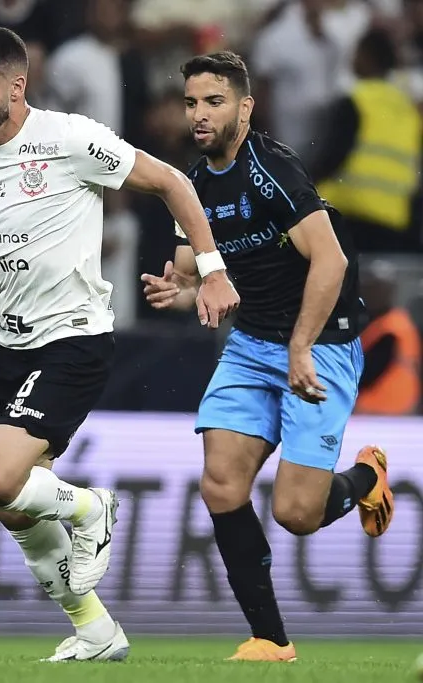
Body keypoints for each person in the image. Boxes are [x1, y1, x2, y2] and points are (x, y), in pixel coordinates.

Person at [0, 27, 240, 662]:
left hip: (73, 339)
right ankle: (95, 631)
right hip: (5, 347)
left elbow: (174, 181)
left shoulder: (69, 139)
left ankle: (94, 508)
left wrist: (211, 268)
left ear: (17, 85)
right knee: (14, 505)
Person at [140, 51, 394, 662]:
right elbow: (193, 275)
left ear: (245, 107)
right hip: (253, 343)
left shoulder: (271, 170)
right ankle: (269, 640)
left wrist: (302, 346)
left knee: (297, 513)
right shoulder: (192, 186)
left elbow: (329, 261)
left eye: (214, 101)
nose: (199, 115)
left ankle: (367, 477)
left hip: (321, 343)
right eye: (192, 103)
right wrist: (179, 292)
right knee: (222, 483)